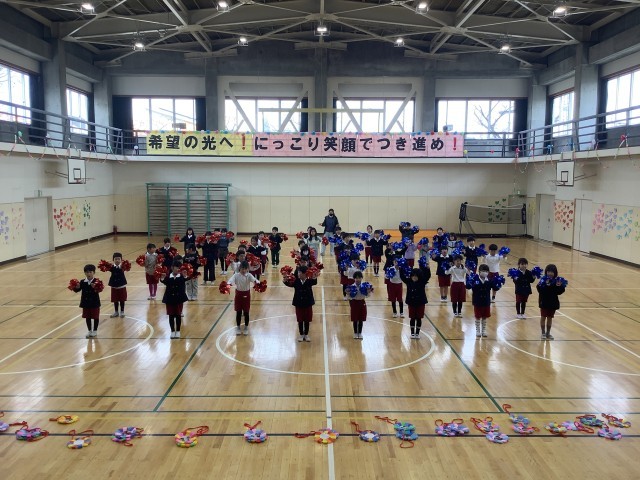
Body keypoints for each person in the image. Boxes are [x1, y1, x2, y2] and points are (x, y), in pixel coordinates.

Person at [286, 265, 317, 342]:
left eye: (300, 272)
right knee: (300, 319)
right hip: (298, 303)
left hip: (308, 303)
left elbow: (314, 281)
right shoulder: (296, 281)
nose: (298, 274)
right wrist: (285, 279)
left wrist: (314, 275)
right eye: (298, 272)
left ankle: (306, 334)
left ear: (305, 273)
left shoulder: (309, 281)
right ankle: (301, 334)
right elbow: (289, 284)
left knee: (307, 319)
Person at [228, 261, 259, 336]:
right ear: (240, 268)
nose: (244, 270)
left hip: (246, 295)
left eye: (245, 269)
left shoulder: (249, 275)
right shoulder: (236, 275)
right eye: (242, 269)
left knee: (246, 312)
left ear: (247, 269)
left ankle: (246, 327)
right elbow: (230, 281)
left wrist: (258, 283)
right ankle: (238, 327)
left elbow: (255, 280)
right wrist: (228, 285)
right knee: (238, 312)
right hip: (238, 295)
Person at [400, 264, 431, 339]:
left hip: (420, 303)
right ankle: (412, 333)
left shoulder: (422, 282)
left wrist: (427, 269)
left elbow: (428, 276)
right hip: (411, 302)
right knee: (412, 318)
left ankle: (417, 333)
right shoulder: (408, 282)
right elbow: (402, 277)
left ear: (419, 276)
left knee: (419, 318)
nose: (414, 277)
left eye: (416, 276)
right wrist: (401, 269)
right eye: (413, 276)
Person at [537, 264, 566, 340]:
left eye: (552, 272)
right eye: (549, 271)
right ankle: (543, 333)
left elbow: (559, 292)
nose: (550, 273)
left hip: (552, 302)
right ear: (546, 272)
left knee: (550, 318)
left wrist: (559, 286)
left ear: (555, 273)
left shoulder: (557, 281)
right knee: (543, 317)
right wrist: (545, 285)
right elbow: (539, 289)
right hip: (544, 302)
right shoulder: (543, 280)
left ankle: (548, 333)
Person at [160, 260, 188, 339]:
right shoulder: (168, 276)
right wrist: (162, 278)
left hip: (179, 299)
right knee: (171, 315)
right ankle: (172, 331)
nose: (178, 269)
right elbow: (164, 281)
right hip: (170, 299)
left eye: (179, 268)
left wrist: (185, 276)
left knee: (178, 315)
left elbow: (185, 279)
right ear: (172, 268)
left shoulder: (181, 276)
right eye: (177, 268)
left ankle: (178, 331)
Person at [72, 264, 101, 338]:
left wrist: (95, 287)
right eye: (87, 272)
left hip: (94, 302)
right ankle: (89, 330)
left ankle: (95, 331)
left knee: (95, 317)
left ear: (94, 272)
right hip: (86, 303)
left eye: (90, 272)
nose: (89, 274)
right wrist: (76, 287)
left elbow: (100, 290)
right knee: (87, 317)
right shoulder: (82, 281)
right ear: (85, 273)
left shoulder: (97, 281)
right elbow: (77, 290)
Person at [468, 264, 493, 338]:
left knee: (484, 317)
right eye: (483, 271)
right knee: (477, 316)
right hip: (477, 301)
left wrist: (498, 284)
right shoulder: (475, 280)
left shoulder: (489, 281)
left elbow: (495, 287)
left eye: (486, 271)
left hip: (486, 301)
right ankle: (477, 330)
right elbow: (468, 286)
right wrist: (470, 281)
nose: (485, 272)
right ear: (479, 271)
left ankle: (483, 331)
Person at [349, 271, 371, 340]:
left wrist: (368, 292)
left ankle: (360, 332)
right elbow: (349, 297)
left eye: (359, 278)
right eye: (356, 278)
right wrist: (348, 293)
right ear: (354, 279)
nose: (358, 279)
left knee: (361, 318)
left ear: (361, 278)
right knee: (355, 319)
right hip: (354, 303)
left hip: (362, 303)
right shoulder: (352, 286)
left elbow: (367, 296)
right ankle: (355, 332)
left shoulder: (364, 286)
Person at [108, 252, 128, 318]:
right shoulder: (111, 267)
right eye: (115, 259)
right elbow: (106, 268)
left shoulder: (123, 266)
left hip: (121, 285)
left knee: (122, 299)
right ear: (113, 260)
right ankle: (116, 312)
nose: (117, 260)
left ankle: (122, 311)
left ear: (121, 260)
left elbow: (127, 268)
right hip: (114, 285)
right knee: (115, 299)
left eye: (118, 259)